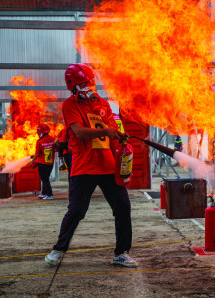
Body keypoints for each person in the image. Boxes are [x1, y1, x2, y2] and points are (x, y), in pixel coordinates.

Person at [45, 63, 138, 268]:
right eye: (84, 84)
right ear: (74, 86)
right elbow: (78, 132)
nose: (89, 87)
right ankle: (59, 248)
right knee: (77, 211)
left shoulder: (103, 104)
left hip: (108, 166)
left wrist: (120, 139)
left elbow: (112, 131)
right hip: (84, 167)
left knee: (122, 206)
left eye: (90, 83)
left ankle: (121, 253)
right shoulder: (70, 105)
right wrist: (107, 132)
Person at [29, 124, 56, 200]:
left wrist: (32, 161)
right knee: (45, 178)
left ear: (41, 132)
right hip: (50, 163)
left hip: (42, 164)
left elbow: (37, 154)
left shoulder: (39, 141)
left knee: (44, 179)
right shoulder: (53, 139)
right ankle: (44, 193)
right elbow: (56, 149)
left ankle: (49, 195)